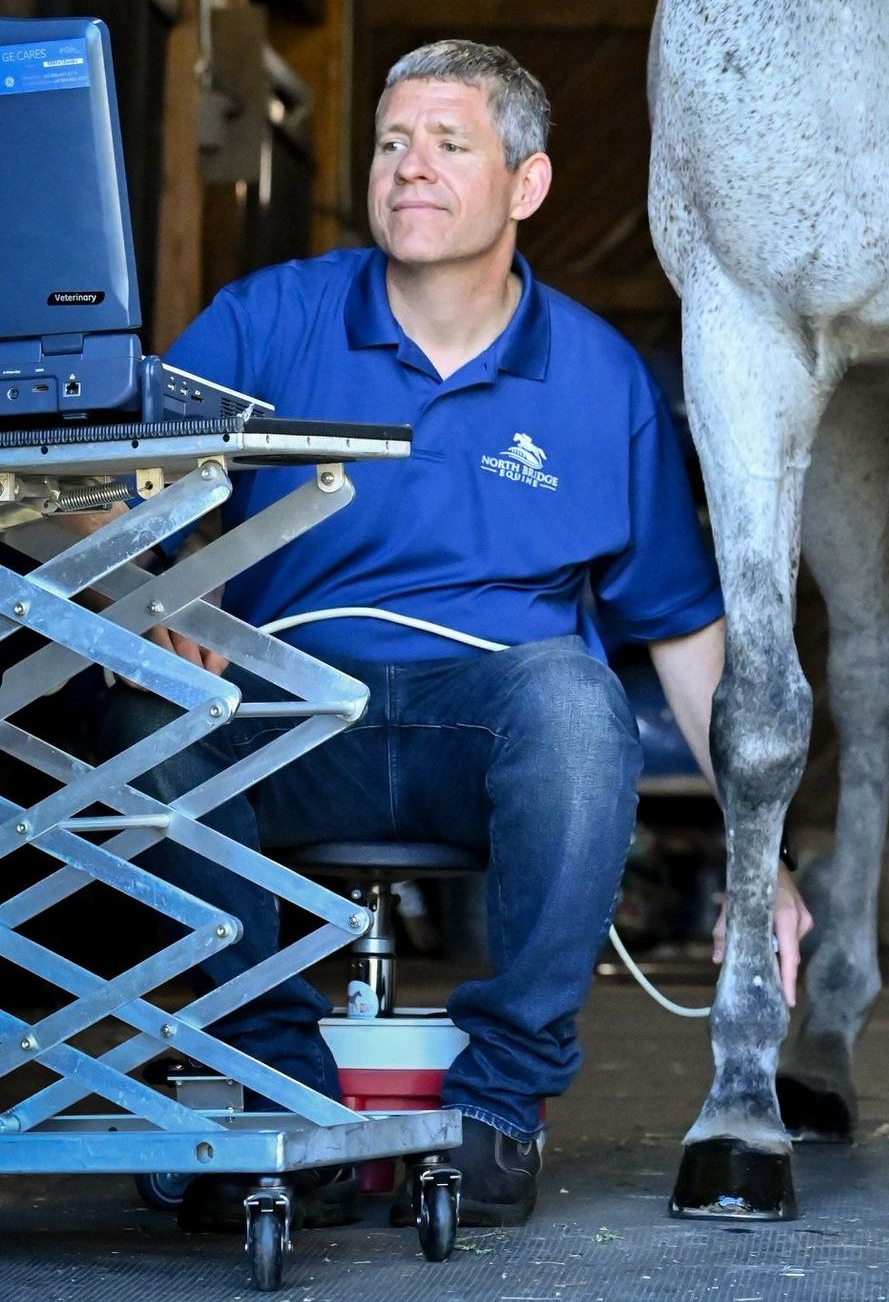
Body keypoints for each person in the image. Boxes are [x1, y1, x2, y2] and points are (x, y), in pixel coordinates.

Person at [100, 39, 810, 1231]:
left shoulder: (600, 377)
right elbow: (111, 493)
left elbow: (688, 635)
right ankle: (284, 1087)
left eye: (448, 144)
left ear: (526, 185)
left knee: (577, 701)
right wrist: (164, 592)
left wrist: (761, 852)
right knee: (137, 710)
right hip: (288, 724)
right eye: (390, 143)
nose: (408, 168)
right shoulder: (266, 320)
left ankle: (495, 1110)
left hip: (488, 737)